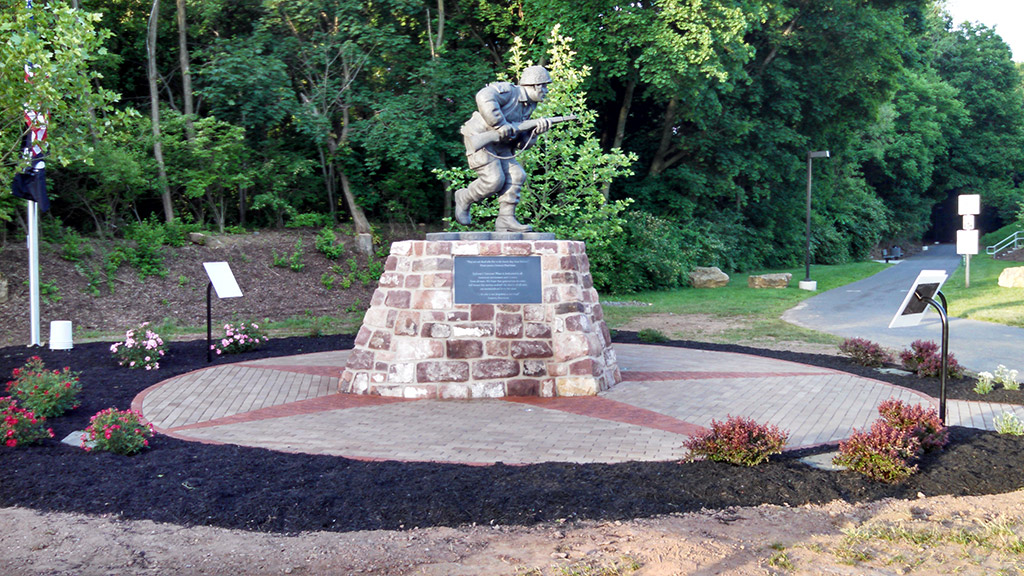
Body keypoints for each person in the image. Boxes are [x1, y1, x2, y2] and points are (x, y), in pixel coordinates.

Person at [454, 66, 553, 232]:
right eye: (544, 86)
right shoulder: (509, 91)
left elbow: (521, 145)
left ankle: (506, 220)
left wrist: (534, 133)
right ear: (535, 85)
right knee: (493, 181)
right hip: (481, 138)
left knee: (517, 175)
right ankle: (464, 197)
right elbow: (483, 96)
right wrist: (499, 123)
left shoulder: (529, 106)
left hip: (502, 145)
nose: (546, 90)